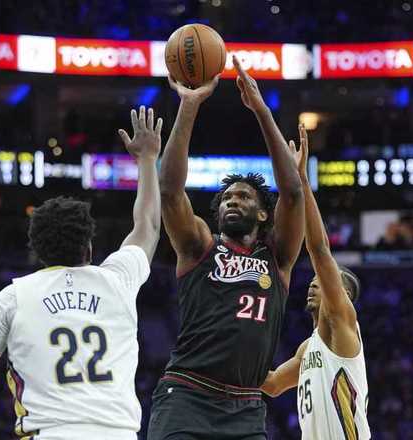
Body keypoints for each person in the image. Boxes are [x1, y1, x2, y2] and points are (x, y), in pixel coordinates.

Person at [0, 106, 163, 440]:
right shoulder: (118, 280)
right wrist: (147, 159)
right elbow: (147, 225)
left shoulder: (14, 296)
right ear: (89, 248)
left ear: (37, 251)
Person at [148, 55, 305, 439]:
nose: (233, 201)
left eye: (244, 197)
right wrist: (189, 104)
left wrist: (261, 110)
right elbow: (169, 192)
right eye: (227, 199)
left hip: (246, 406)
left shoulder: (277, 256)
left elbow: (293, 193)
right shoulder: (200, 246)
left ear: (264, 214)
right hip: (186, 396)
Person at [261, 125, 371, 440]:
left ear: (342, 293)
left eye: (320, 282)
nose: (312, 284)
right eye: (312, 281)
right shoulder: (307, 348)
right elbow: (272, 384)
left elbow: (320, 250)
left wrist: (303, 181)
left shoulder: (343, 320)